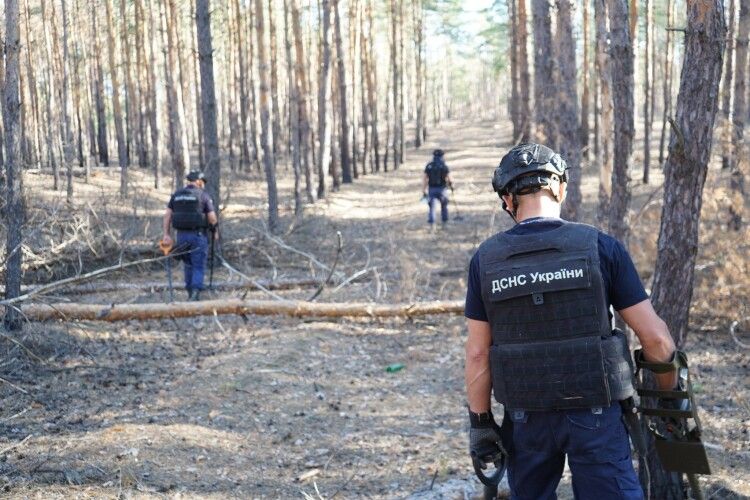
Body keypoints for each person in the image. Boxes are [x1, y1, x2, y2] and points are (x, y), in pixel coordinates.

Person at [464, 143, 680, 499]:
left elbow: (477, 355)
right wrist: (668, 402)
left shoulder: (485, 261)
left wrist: (481, 424)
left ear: (507, 199)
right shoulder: (601, 247)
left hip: (525, 419)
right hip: (596, 414)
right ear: (561, 188)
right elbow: (657, 340)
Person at [162, 171, 219, 301]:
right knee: (198, 265)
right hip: (198, 236)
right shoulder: (203, 196)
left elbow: (167, 216)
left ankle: (189, 291)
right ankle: (195, 293)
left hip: (181, 236)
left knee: (188, 264)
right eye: (203, 182)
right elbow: (212, 218)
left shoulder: (176, 195)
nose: (203, 185)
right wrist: (215, 231)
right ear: (198, 181)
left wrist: (166, 234)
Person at [422, 149, 452, 228]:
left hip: (432, 189)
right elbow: (449, 178)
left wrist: (424, 190)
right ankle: (444, 222)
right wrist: (451, 186)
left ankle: (432, 224)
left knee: (432, 207)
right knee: (444, 205)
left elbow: (425, 179)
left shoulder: (429, 166)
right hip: (442, 189)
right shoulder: (444, 166)